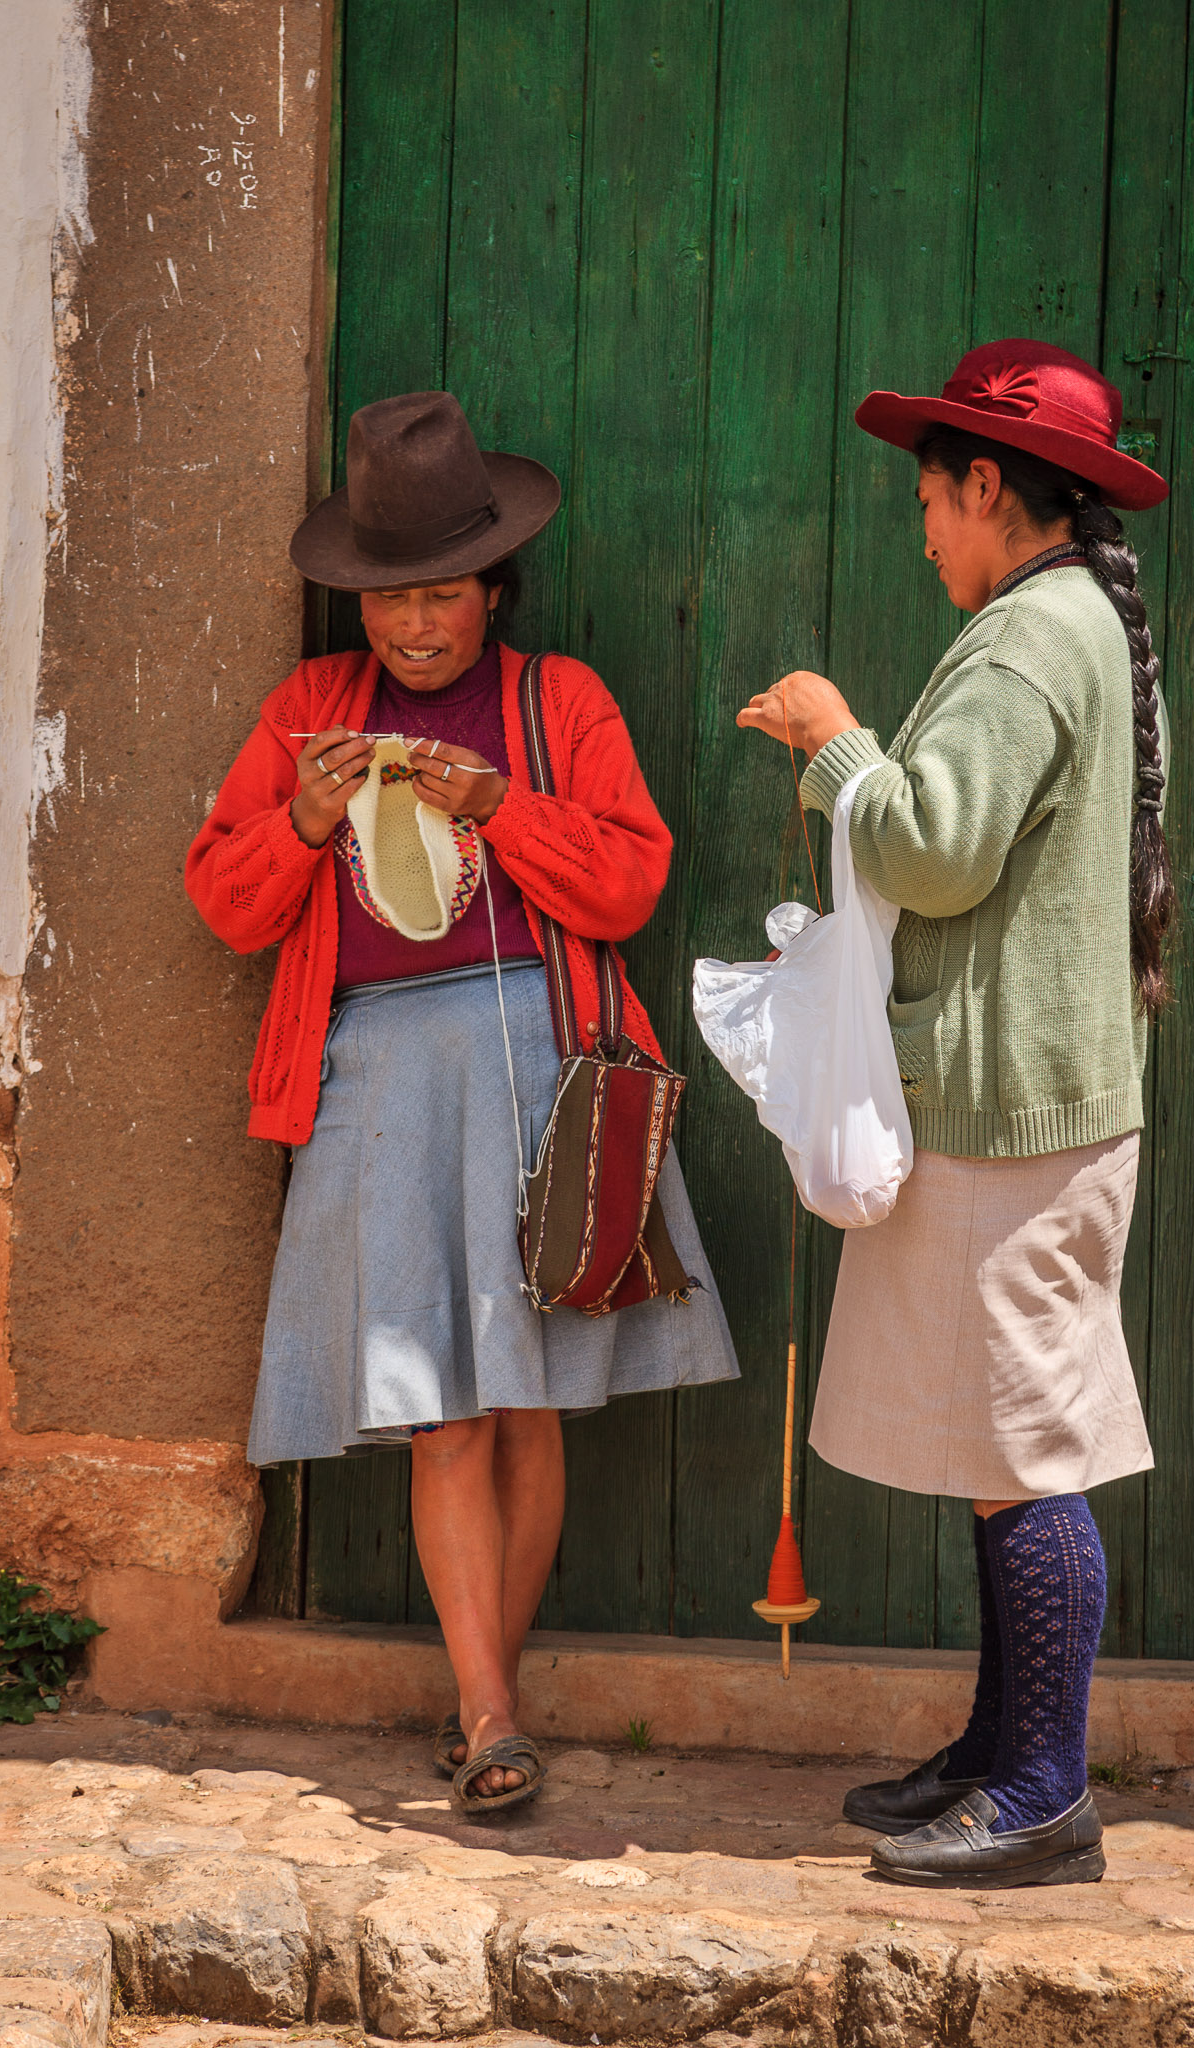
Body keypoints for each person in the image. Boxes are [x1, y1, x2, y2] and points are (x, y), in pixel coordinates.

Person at [188, 390, 737, 1815]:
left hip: (541, 1070)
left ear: (495, 585)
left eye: (442, 594)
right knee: (443, 1414)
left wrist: (501, 806)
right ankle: (492, 1715)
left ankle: (483, 1694)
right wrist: (306, 820)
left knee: (532, 1403)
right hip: (378, 1078)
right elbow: (225, 902)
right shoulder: (310, 714)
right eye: (385, 602)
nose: (416, 628)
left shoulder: (562, 704)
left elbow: (627, 884)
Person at [737, 339, 1172, 1888]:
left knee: (1023, 1454)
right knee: (1003, 1440)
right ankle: (1000, 1755)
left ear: (991, 486)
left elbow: (933, 855)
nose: (921, 530)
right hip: (1023, 1104)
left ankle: (1046, 1792)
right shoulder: (1069, 623)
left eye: (931, 499)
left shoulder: (1025, 639)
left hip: (1016, 1119)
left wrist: (833, 735)